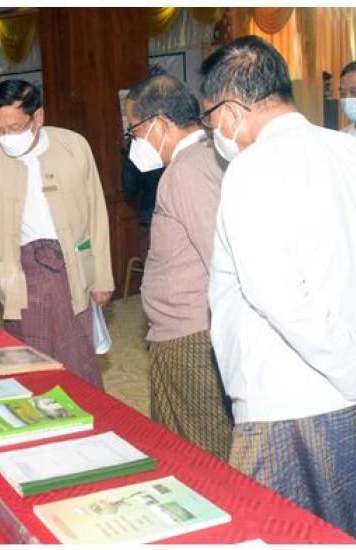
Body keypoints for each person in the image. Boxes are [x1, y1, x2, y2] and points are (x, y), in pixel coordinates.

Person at [202, 36, 356, 544]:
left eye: (210, 124)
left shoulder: (251, 169)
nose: (214, 137)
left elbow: (278, 295)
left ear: (229, 112)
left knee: (283, 535)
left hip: (289, 412)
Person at [0, 79, 114, 389]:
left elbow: (96, 213)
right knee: (30, 359)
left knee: (77, 355)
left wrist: (102, 278)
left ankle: (84, 405)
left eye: (14, 128)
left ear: (38, 117)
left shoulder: (74, 147)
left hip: (73, 266)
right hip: (22, 273)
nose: (6, 138)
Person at [125, 73, 233, 461]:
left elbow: (220, 257)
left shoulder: (189, 170)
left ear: (159, 123)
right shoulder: (202, 158)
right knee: (177, 444)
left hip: (192, 335)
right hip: (180, 329)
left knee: (203, 451)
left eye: (134, 130)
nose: (133, 141)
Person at [121, 144, 162, 260]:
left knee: (151, 262)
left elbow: (129, 191)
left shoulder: (136, 151)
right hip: (177, 217)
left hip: (148, 215)